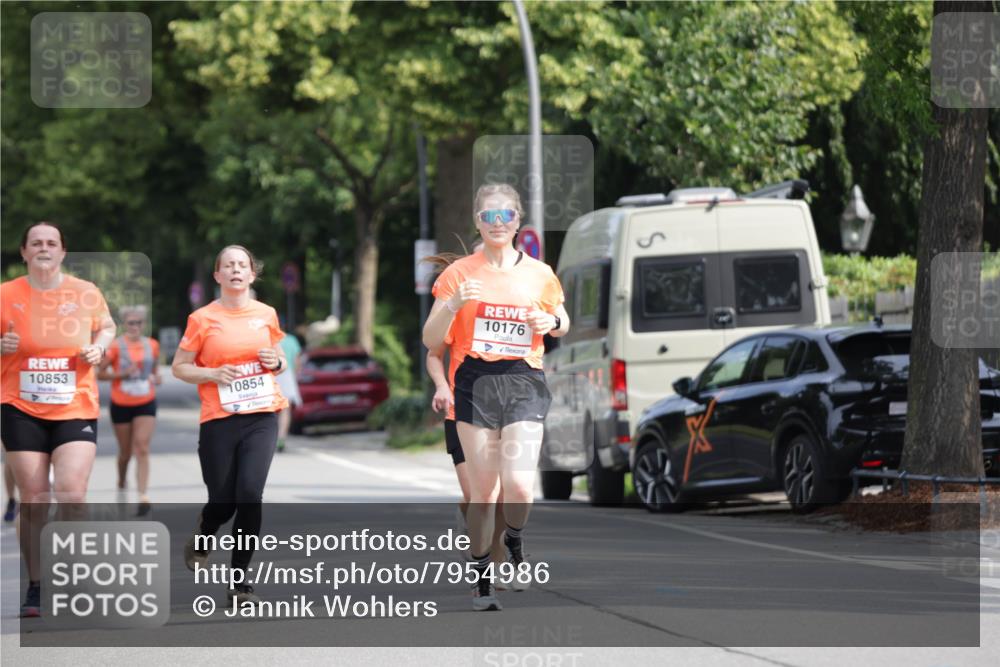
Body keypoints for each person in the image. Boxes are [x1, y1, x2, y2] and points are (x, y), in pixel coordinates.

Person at [422, 184, 570, 611]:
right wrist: (452, 305)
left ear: (518, 221)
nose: (498, 222)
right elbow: (431, 339)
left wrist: (552, 320)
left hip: (523, 377)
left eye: (506, 215)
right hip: (474, 381)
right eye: (489, 216)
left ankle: (515, 540)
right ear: (477, 222)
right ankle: (482, 576)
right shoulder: (458, 275)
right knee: (484, 494)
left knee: (520, 486)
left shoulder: (540, 273)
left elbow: (561, 319)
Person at [1, 221, 116, 617]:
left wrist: (99, 348)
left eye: (52, 242)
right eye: (37, 243)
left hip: (74, 404)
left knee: (72, 493)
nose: (44, 248)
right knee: (34, 499)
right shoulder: (5, 294)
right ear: (24, 252)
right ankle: (36, 585)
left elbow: (108, 327)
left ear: (63, 252)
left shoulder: (85, 292)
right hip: (20, 406)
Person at [171, 245, 287, 606]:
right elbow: (179, 366)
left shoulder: (266, 313)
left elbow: (279, 358)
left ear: (252, 274)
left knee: (250, 494)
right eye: (228, 265)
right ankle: (206, 532)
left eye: (243, 265)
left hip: (262, 415)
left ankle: (239, 583)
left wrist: (277, 361)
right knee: (223, 500)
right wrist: (212, 373)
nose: (236, 270)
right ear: (218, 276)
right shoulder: (202, 318)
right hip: (219, 419)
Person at [98, 305, 161, 515]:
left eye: (139, 322)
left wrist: (157, 378)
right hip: (121, 403)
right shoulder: (115, 346)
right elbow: (100, 374)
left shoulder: (152, 345)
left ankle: (143, 495)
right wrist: (121, 375)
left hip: (146, 401)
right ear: (124, 324)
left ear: (144, 324)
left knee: (142, 447)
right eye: (131, 323)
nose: (135, 326)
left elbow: (155, 372)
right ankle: (121, 480)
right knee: (125, 452)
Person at [274, 327, 302, 452]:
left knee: (271, 409)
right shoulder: (291, 340)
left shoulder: (270, 339)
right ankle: (281, 438)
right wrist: (294, 376)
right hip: (287, 375)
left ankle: (272, 437)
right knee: (286, 410)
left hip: (273, 374)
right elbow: (297, 362)